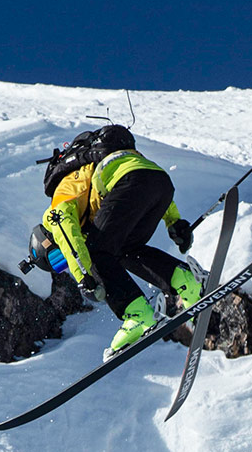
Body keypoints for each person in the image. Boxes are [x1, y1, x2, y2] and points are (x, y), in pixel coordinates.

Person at [31, 125, 200, 353]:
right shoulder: (92, 171)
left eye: (57, 258)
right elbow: (144, 179)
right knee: (125, 250)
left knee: (95, 253)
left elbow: (69, 237)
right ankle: (186, 281)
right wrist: (174, 221)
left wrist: (83, 275)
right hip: (160, 181)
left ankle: (137, 315)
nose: (64, 265)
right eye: (61, 266)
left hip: (127, 181)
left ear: (47, 239)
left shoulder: (58, 204)